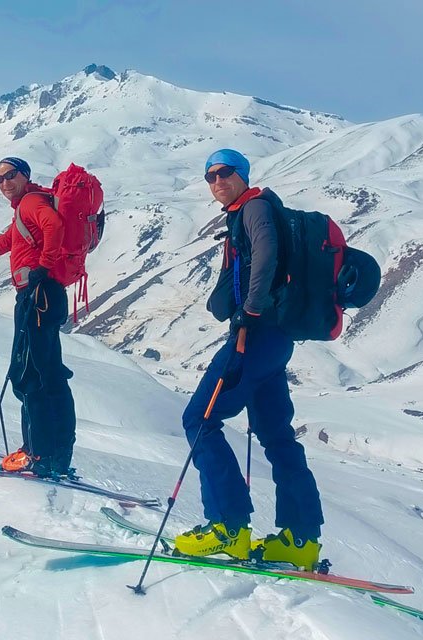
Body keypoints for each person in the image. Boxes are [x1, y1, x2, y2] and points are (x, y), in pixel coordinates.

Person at [172, 149, 326, 571]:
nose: (217, 181)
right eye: (209, 176)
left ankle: (227, 528)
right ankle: (300, 539)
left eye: (224, 173)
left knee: (199, 419)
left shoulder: (255, 209)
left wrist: (250, 312)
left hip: (255, 336)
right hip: (274, 339)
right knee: (276, 435)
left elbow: (266, 256)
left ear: (243, 174)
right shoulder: (252, 208)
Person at [0, 157, 78, 479]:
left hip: (37, 296)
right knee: (49, 375)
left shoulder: (29, 202)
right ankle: (56, 454)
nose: (4, 183)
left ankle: (39, 454)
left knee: (28, 377)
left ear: (25, 175)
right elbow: (11, 240)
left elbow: (53, 227)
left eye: (10, 175)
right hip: (46, 296)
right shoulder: (30, 203)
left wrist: (43, 265)